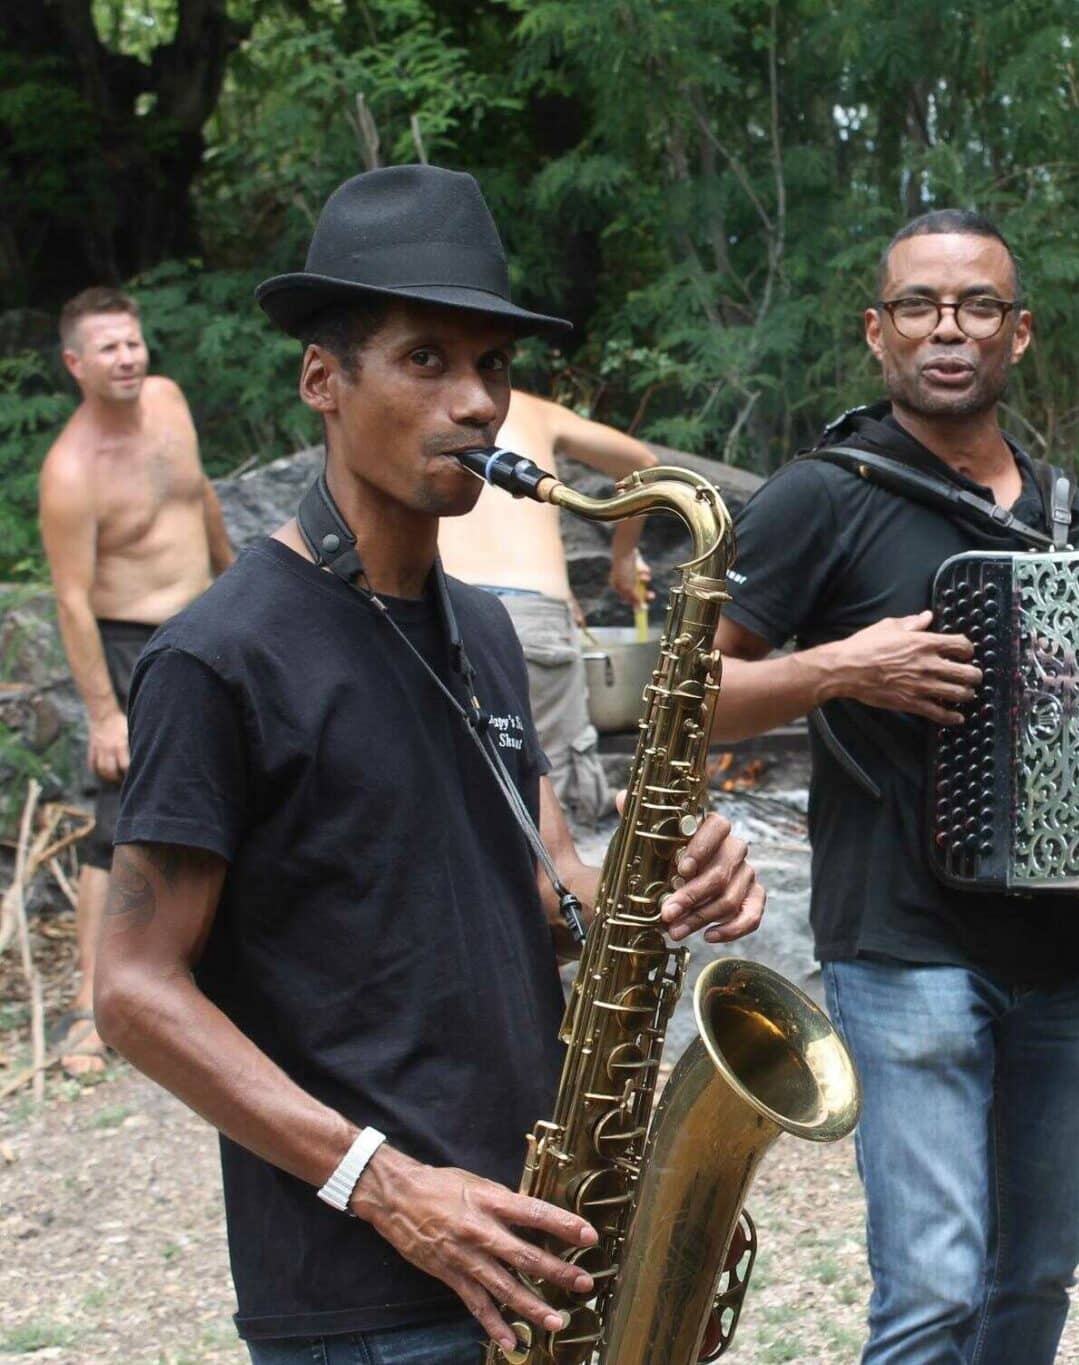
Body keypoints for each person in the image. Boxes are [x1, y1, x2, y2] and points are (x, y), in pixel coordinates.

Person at [91, 164, 765, 1363]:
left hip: (536, 1242)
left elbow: (552, 885)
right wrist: (388, 1187)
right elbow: (133, 990)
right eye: (426, 360)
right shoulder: (221, 655)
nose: (475, 402)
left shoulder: (485, 631)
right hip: (366, 1290)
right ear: (322, 380)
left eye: (493, 368)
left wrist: (657, 889)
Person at [708, 209, 1079, 1365]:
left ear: (1019, 333)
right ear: (876, 333)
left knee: (1034, 1278)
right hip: (902, 944)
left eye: (978, 306)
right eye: (919, 307)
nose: (950, 329)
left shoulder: (1055, 508)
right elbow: (683, 697)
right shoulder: (817, 495)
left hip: (1063, 954)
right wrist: (844, 667)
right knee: (935, 1292)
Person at [36, 286, 235, 1077]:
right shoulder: (70, 468)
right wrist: (102, 713)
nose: (127, 358)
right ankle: (92, 1008)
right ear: (75, 364)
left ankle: (216, 977)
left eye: (133, 342)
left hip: (211, 619)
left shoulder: (171, 401)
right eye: (107, 349)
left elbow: (202, 498)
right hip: (133, 645)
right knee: (115, 828)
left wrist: (242, 578)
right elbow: (72, 600)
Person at [438, 388, 656, 823]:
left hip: (443, 609)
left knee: (455, 800)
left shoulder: (416, 399)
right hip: (536, 618)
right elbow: (645, 467)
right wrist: (623, 558)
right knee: (552, 811)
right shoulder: (533, 409)